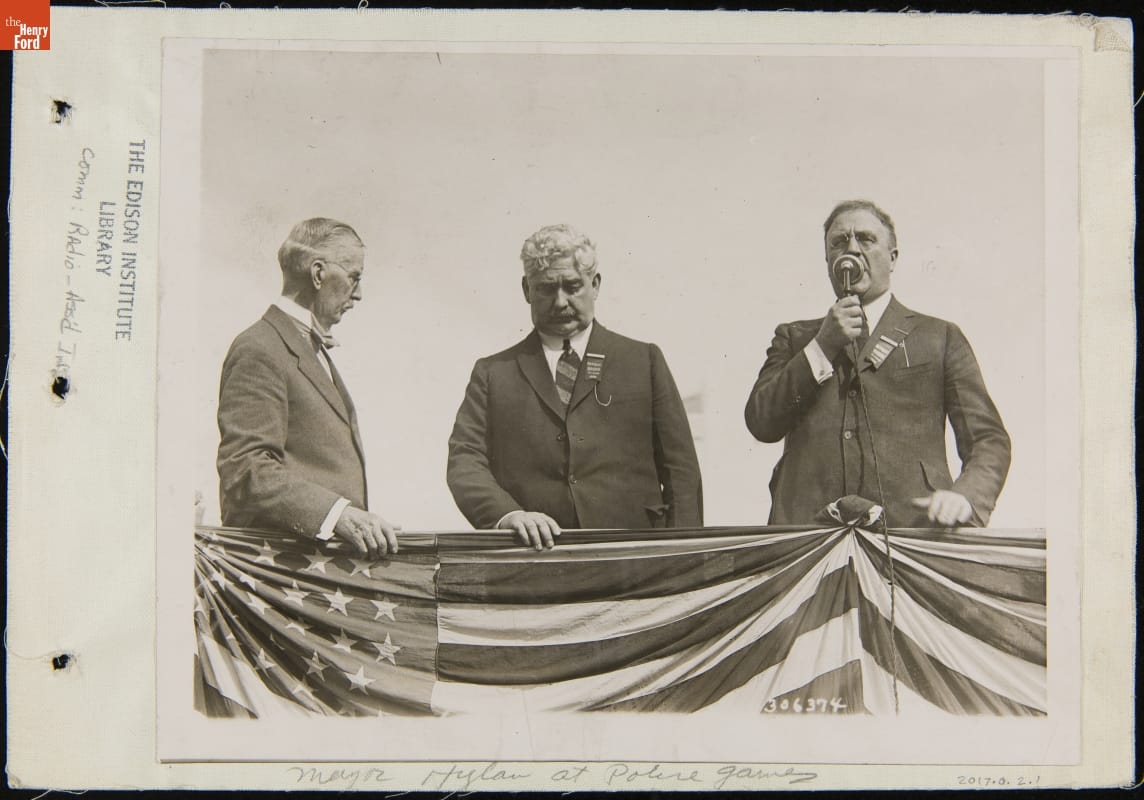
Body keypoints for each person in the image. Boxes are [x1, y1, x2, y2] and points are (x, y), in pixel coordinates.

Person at [744, 200, 1011, 528]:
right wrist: (822, 345)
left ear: (893, 257)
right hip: (808, 536)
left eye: (866, 239)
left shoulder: (940, 336)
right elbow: (761, 422)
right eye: (839, 242)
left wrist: (966, 496)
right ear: (828, 260)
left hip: (910, 533)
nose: (852, 249)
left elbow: (987, 439)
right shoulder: (795, 337)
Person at [447, 224, 703, 549]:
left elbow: (681, 471)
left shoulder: (644, 361)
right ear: (526, 290)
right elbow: (465, 460)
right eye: (546, 288)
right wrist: (508, 515)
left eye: (572, 286)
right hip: (534, 558)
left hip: (633, 557)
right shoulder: (493, 373)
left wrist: (684, 554)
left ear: (595, 285)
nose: (560, 302)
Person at [216, 217, 399, 557]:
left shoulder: (306, 349)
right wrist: (337, 514)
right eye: (354, 277)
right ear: (318, 274)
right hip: (282, 571)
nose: (359, 294)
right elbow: (245, 468)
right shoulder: (260, 347)